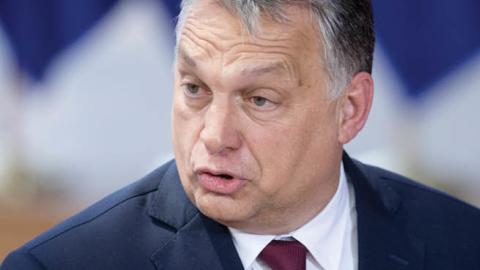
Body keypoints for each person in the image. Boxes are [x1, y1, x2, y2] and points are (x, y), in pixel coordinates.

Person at [2, 0, 480, 269]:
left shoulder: (463, 247)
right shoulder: (59, 268)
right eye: (195, 89)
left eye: (259, 100)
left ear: (350, 110)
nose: (214, 135)